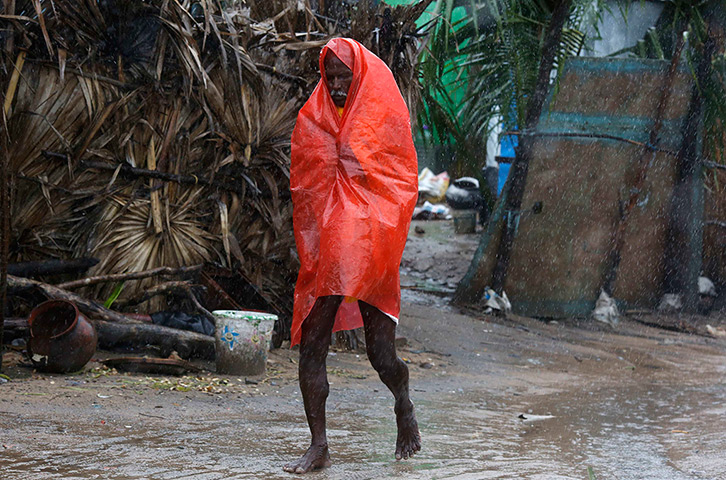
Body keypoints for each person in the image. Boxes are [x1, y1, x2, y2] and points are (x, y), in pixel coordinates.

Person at [284, 37, 420, 474]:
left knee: (380, 354)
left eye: (346, 76)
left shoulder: (381, 116)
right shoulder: (313, 119)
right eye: (331, 76)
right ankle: (319, 444)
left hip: (369, 246)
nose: (339, 85)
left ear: (360, 75)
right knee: (312, 344)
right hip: (329, 249)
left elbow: (398, 182)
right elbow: (305, 186)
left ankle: (403, 403)